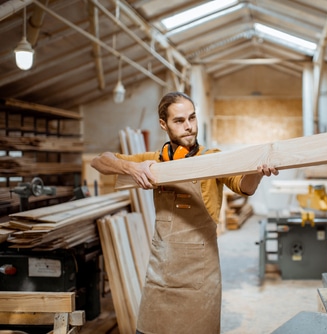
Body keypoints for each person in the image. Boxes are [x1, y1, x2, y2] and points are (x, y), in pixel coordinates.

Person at [91, 91, 278, 334]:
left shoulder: (212, 160)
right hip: (162, 275)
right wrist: (132, 167)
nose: (189, 127)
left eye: (192, 118)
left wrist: (258, 171)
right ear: (163, 124)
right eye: (179, 121)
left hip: (201, 277)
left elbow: (245, 187)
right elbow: (99, 161)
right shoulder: (154, 161)